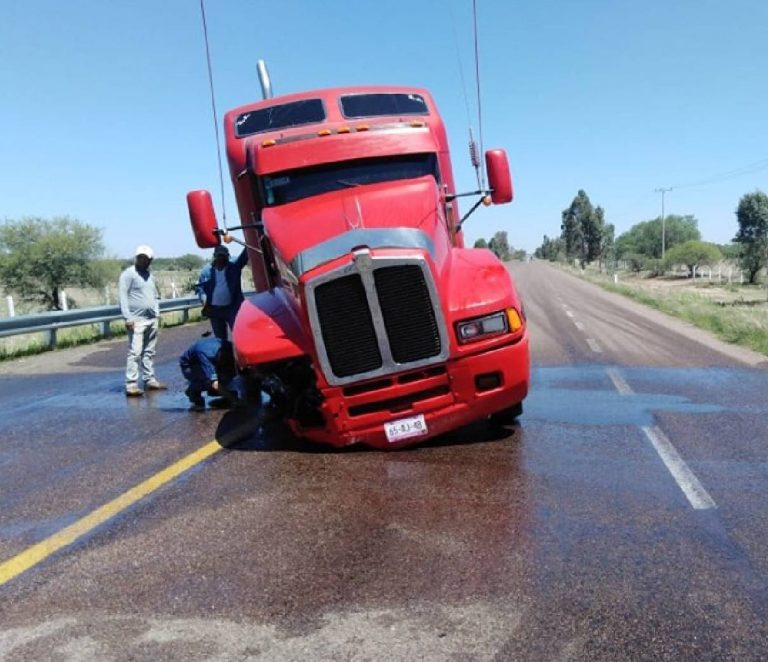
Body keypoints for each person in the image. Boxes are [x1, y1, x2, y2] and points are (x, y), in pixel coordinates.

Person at [118, 245, 167, 396]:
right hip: (136, 319)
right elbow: (122, 296)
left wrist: (156, 313)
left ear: (150, 260)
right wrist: (128, 317)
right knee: (135, 352)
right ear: (136, 258)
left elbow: (154, 295)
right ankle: (131, 383)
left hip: (151, 318)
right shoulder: (128, 274)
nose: (142, 260)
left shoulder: (149, 275)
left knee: (149, 351)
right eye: (140, 257)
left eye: (145, 258)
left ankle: (149, 379)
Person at [195, 245, 249, 341]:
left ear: (228, 257)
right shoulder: (206, 271)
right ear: (215, 256)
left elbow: (244, 256)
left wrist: (251, 239)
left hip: (232, 308)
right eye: (219, 256)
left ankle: (240, 354)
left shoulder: (234, 267)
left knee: (239, 335)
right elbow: (201, 289)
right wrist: (204, 302)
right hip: (215, 311)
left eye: (224, 256)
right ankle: (225, 355)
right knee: (220, 340)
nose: (221, 259)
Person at [179, 336, 237, 411]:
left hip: (208, 358)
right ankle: (193, 391)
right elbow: (215, 384)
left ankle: (220, 392)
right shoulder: (205, 357)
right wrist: (234, 399)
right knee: (209, 381)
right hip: (189, 366)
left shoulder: (226, 345)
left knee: (230, 372)